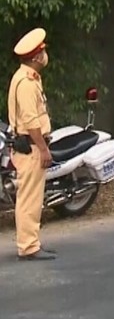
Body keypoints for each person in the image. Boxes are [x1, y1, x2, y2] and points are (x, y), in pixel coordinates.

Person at [7, 28, 56, 261]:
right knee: (29, 198)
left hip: (29, 145)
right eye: (43, 52)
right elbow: (31, 121)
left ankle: (30, 242)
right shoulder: (26, 82)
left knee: (30, 197)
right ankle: (28, 246)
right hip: (31, 147)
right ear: (37, 57)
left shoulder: (26, 77)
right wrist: (44, 148)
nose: (45, 55)